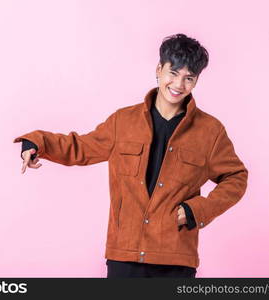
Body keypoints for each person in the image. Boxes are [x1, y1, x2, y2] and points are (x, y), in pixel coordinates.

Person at [13, 33, 248, 278]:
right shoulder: (122, 122)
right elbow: (80, 148)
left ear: (196, 80)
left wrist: (195, 211)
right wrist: (36, 142)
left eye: (189, 78)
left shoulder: (210, 131)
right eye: (173, 73)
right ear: (159, 69)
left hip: (175, 258)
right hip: (124, 255)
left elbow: (236, 176)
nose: (179, 85)